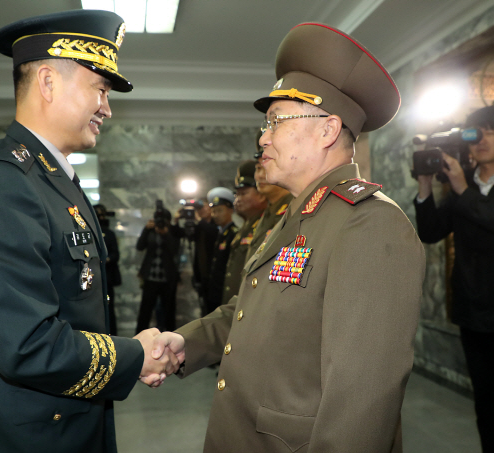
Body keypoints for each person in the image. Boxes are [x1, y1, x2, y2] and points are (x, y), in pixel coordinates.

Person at [151, 22, 425, 452]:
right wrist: (185, 343)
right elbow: (252, 313)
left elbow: (362, 402)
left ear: (327, 130)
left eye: (276, 121)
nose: (263, 137)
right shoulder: (298, 215)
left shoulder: (369, 224)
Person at [0, 10, 178, 453]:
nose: (107, 108)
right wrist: (136, 355)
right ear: (48, 82)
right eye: (100, 90)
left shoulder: (54, 179)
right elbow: (27, 345)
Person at [414, 106, 494, 452]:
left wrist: (463, 188)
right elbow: (431, 231)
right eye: (473, 132)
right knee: (487, 406)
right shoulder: (463, 184)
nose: (479, 139)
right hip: (473, 314)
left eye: (490, 130)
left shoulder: (465, 186)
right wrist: (425, 187)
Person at [222, 160, 267, 305]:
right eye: (236, 195)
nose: (237, 200)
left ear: (260, 194)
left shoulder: (267, 224)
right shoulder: (246, 226)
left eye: (243, 194)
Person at [245, 132, 294, 262]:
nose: (260, 176)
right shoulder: (267, 211)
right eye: (258, 168)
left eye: (266, 166)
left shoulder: (295, 207)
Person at [135, 209, 180, 334]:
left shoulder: (173, 232)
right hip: (150, 277)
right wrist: (145, 229)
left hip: (168, 278)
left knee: (169, 311)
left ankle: (171, 338)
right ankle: (139, 336)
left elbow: (174, 251)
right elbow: (139, 246)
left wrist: (166, 234)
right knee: (145, 310)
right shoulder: (150, 230)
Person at [205, 187, 239, 314]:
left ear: (230, 210)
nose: (215, 215)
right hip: (215, 292)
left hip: (225, 293)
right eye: (213, 211)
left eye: (219, 211)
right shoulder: (220, 233)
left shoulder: (234, 234)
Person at [94, 204, 122, 336]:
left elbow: (115, 254)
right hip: (94, 278)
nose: (101, 218)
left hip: (108, 277)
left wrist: (106, 259)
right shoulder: (90, 232)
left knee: (109, 308)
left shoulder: (109, 234)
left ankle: (112, 335)